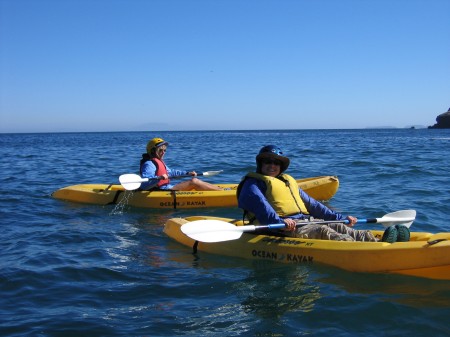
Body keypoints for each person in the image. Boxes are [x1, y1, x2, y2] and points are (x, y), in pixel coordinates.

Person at [237, 145, 410, 243]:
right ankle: (371, 249)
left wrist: (339, 217)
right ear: (261, 163)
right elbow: (262, 209)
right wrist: (280, 222)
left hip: (304, 221)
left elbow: (313, 205)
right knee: (323, 231)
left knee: (340, 227)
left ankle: (379, 241)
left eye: (276, 163)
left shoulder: (287, 181)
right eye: (268, 162)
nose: (272, 166)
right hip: (281, 228)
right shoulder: (252, 184)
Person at [139, 137, 222, 191]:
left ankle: (219, 189)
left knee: (195, 180)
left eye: (165, 150)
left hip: (167, 187)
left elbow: (172, 172)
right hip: (161, 191)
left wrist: (187, 173)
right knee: (194, 182)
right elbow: (145, 184)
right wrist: (159, 178)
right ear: (153, 151)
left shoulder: (158, 162)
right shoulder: (149, 164)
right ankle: (222, 192)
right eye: (160, 150)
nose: (163, 152)